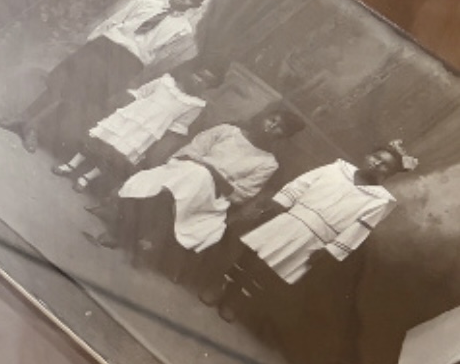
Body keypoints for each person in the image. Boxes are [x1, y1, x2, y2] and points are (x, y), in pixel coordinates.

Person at [203, 141, 416, 323]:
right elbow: (302, 183)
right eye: (376, 158)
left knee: (270, 268)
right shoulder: (337, 169)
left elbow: (359, 229)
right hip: (291, 219)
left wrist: (330, 250)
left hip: (315, 238)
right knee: (252, 253)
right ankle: (219, 285)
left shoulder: (380, 200)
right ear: (368, 155)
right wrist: (279, 205)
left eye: (385, 165)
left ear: (392, 174)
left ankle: (234, 298)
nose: (377, 164)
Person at [0, 0, 209, 155]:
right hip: (104, 46)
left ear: (195, 6)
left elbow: (161, 54)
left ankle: (36, 129)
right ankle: (22, 117)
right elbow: (112, 22)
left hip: (128, 61)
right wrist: (91, 42)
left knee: (81, 96)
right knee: (61, 83)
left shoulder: (183, 30)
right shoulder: (145, 3)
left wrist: (136, 66)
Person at [86, 108, 301, 274]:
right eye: (272, 120)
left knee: (195, 177)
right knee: (187, 178)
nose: (272, 127)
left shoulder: (268, 163)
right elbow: (191, 151)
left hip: (212, 196)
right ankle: (143, 237)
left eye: (280, 128)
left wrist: (210, 173)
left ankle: (122, 232)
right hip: (183, 172)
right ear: (264, 116)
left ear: (284, 137)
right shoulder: (227, 132)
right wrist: (206, 169)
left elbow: (242, 193)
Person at [52, 62, 223, 194]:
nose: (199, 81)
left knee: (117, 155)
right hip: (131, 117)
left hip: (149, 131)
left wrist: (160, 142)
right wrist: (121, 106)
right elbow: (140, 93)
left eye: (206, 82)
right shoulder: (165, 82)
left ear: (209, 87)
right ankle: (71, 165)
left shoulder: (195, 105)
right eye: (199, 75)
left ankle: (86, 178)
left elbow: (179, 125)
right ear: (191, 72)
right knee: (100, 139)